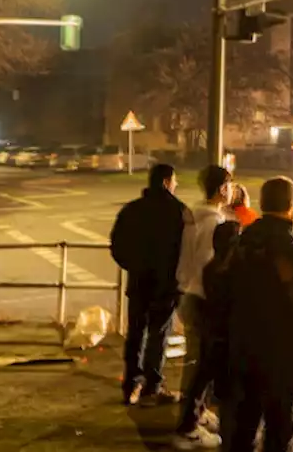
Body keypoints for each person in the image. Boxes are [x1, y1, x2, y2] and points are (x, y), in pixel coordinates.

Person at [221, 177, 293, 452]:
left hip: (240, 354)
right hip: (283, 361)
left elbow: (221, 298)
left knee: (240, 432)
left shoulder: (238, 247)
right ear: (292, 207)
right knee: (279, 435)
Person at [111, 163, 192, 406]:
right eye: (174, 181)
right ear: (167, 182)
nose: (176, 185)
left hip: (139, 282)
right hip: (166, 285)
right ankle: (152, 385)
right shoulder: (180, 212)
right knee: (159, 335)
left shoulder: (132, 210)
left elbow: (117, 246)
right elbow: (187, 250)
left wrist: (134, 266)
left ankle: (131, 384)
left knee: (136, 333)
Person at [173, 166, 233, 448]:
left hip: (187, 292)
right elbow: (212, 267)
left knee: (197, 361)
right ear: (222, 189)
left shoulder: (193, 218)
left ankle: (197, 412)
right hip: (202, 299)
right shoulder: (213, 224)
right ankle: (187, 426)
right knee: (201, 365)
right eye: (230, 185)